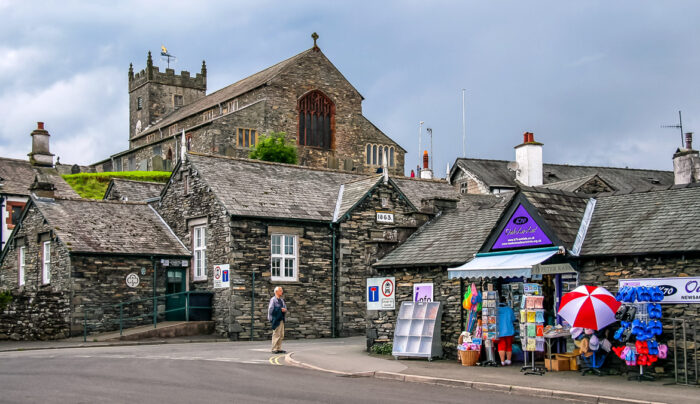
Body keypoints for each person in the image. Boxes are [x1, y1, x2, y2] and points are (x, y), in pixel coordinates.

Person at [496, 295, 515, 366]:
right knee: (509, 345)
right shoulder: (509, 309)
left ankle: (502, 361)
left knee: (501, 345)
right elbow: (513, 319)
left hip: (499, 331)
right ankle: (509, 360)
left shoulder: (496, 310)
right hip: (509, 330)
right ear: (505, 301)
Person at [268, 286, 287, 354]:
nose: (282, 292)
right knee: (276, 334)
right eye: (280, 290)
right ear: (276, 292)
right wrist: (271, 318)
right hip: (276, 319)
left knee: (281, 334)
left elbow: (285, 308)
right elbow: (270, 310)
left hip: (281, 319)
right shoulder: (273, 300)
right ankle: (274, 348)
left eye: (281, 290)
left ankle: (279, 348)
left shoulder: (281, 300)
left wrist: (284, 310)